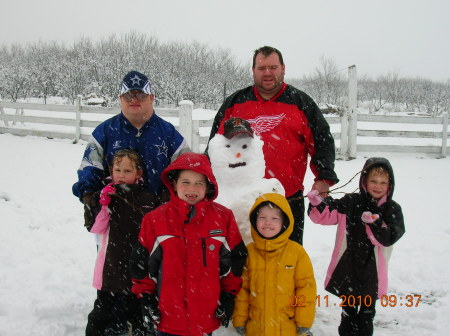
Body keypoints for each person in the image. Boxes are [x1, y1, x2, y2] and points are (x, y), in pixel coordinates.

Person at [206, 46, 338, 245]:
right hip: (242, 201)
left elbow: (322, 141)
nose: (267, 73)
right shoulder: (235, 103)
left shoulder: (301, 103)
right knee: (242, 263)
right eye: (262, 68)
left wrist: (324, 177)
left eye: (273, 67)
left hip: (287, 198)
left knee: (287, 262)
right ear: (253, 71)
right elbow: (215, 147)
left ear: (283, 68)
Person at [129, 152, 248, 336]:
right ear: (174, 184)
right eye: (185, 182)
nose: (192, 188)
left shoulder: (223, 218)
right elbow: (142, 264)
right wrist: (146, 298)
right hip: (167, 315)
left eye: (199, 183)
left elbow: (234, 260)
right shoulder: (155, 220)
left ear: (208, 187)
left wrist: (228, 296)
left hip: (205, 315)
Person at [73, 70, 190, 225]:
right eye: (128, 95)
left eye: (141, 94)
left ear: (152, 98)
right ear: (120, 99)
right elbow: (90, 167)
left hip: (159, 219)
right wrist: (89, 197)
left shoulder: (169, 133)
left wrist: (171, 197)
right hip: (114, 219)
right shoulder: (105, 131)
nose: (134, 99)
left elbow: (188, 170)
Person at [307, 157, 405, 336]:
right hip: (348, 269)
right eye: (373, 181)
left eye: (383, 182)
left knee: (366, 317)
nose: (378, 186)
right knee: (348, 315)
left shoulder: (392, 210)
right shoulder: (351, 202)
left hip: (371, 273)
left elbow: (389, 237)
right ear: (364, 181)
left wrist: (375, 223)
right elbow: (328, 214)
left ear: (390, 185)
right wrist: (317, 203)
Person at [85, 149, 158, 336]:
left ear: (138, 173)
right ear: (111, 172)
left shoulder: (147, 199)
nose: (122, 176)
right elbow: (96, 228)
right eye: (118, 170)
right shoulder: (105, 197)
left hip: (137, 267)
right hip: (110, 266)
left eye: (127, 171)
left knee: (137, 315)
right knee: (101, 313)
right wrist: (103, 203)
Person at [233, 193, 316, 336]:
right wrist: (240, 319)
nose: (267, 222)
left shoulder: (296, 253)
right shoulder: (249, 253)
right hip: (256, 328)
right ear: (254, 220)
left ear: (284, 222)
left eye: (274, 218)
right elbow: (242, 290)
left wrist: (303, 320)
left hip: (287, 327)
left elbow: (305, 289)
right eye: (262, 217)